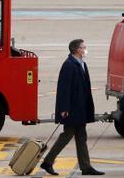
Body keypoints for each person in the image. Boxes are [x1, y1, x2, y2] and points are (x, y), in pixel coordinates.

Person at [41, 39, 104, 176]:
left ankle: (85, 167)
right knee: (67, 135)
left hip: (80, 108)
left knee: (81, 137)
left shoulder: (82, 64)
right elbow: (64, 88)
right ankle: (48, 161)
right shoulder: (69, 65)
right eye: (83, 47)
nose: (85, 49)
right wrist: (64, 108)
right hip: (72, 108)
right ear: (77, 49)